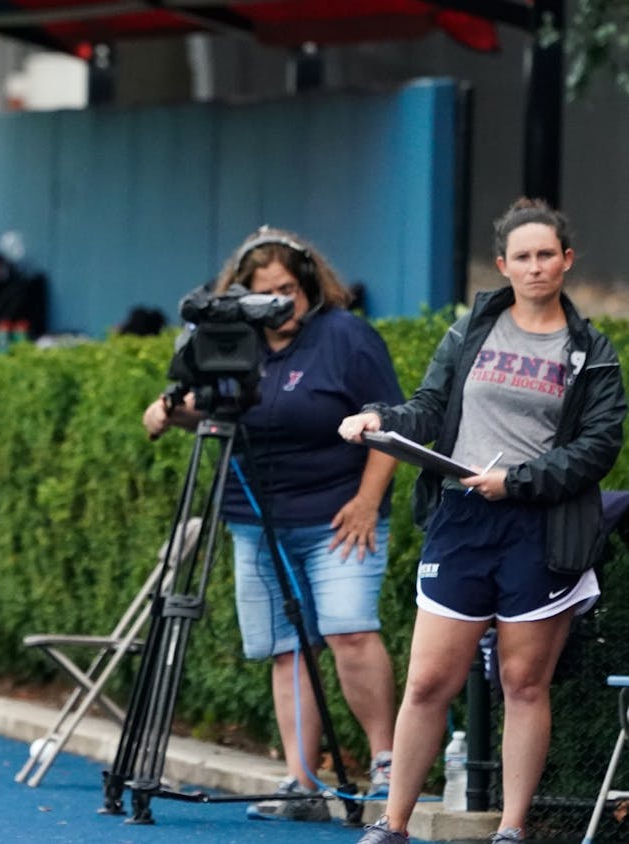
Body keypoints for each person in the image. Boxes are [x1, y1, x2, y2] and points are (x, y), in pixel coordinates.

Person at [345, 199, 626, 844]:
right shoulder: (471, 331)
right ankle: (393, 826)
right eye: (522, 257)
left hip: (540, 529)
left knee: (524, 683)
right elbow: (429, 407)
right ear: (504, 265)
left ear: (566, 260)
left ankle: (512, 828)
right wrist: (379, 421)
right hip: (462, 524)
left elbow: (598, 446)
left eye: (546, 255)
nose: (535, 267)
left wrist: (518, 482)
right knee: (427, 683)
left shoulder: (591, 351)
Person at [142, 227, 402, 820]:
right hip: (256, 520)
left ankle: (389, 765)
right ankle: (300, 780)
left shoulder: (347, 337)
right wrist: (168, 413)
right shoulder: (235, 340)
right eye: (267, 294)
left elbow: (389, 423)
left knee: (350, 632)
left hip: (339, 517)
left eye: (290, 290)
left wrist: (367, 503)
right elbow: (211, 411)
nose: (281, 305)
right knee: (287, 648)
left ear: (310, 284)